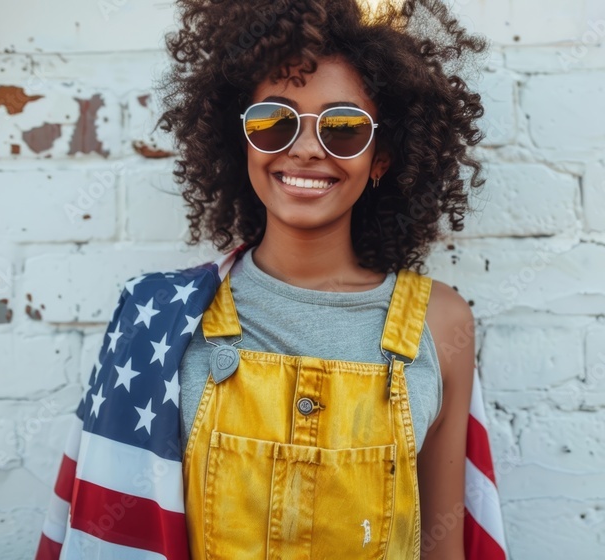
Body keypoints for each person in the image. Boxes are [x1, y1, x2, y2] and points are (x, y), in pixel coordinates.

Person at [36, 0, 506, 558]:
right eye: (275, 122)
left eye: (345, 128)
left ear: (381, 156)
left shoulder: (440, 322)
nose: (306, 148)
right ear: (242, 140)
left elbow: (442, 546)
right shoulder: (159, 315)